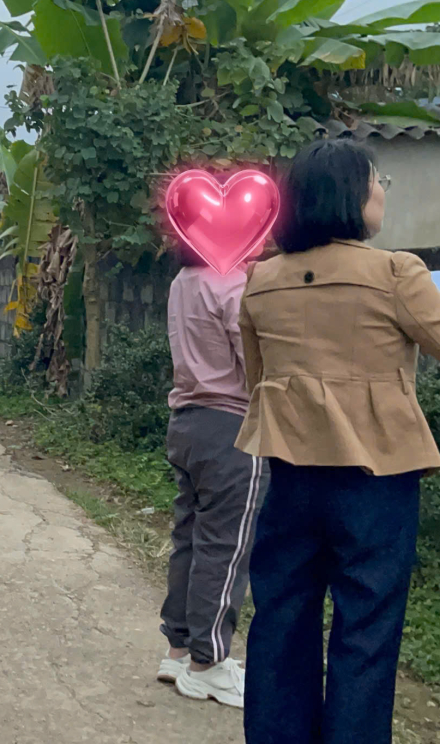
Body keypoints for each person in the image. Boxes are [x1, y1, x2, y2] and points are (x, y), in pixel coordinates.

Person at [237, 139, 437, 744]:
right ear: (352, 194)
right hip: (378, 480)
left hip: (292, 477)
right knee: (367, 631)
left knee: (281, 619)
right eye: (377, 180)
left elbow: (256, 380)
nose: (381, 192)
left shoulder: (261, 280)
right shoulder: (395, 273)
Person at [157, 242, 268, 709]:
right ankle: (208, 664)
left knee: (190, 536)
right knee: (226, 545)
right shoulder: (232, 284)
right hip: (231, 426)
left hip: (187, 422)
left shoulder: (184, 280)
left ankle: (179, 650)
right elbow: (255, 364)